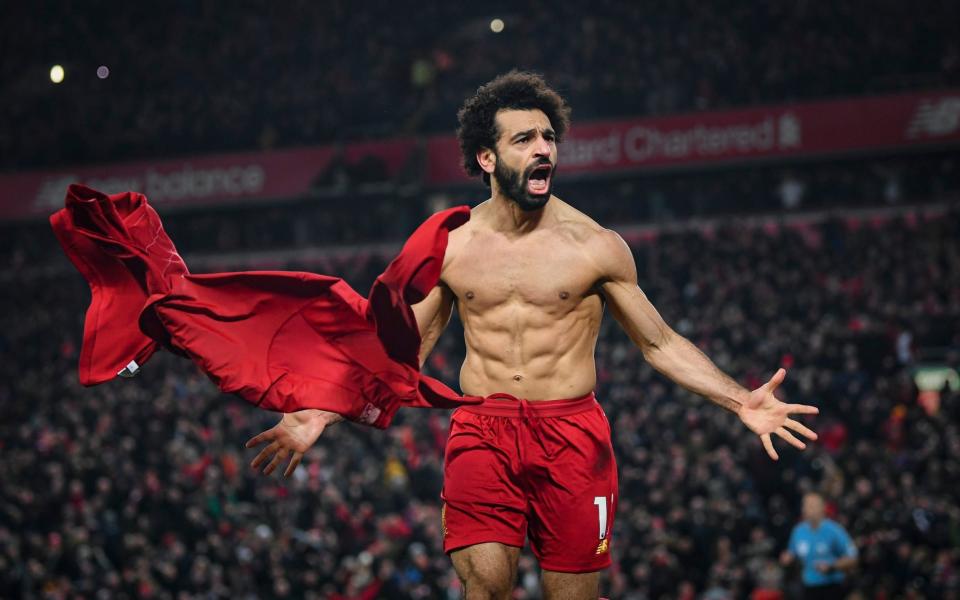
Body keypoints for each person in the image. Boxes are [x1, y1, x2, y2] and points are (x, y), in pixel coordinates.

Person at [246, 71, 820, 600]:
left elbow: (660, 343)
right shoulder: (453, 245)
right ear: (487, 157)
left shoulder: (594, 245)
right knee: (488, 588)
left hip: (571, 435)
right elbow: (405, 352)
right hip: (482, 428)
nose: (543, 148)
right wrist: (321, 411)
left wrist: (739, 399)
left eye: (549, 136)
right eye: (524, 139)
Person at [780, 493, 858, 600]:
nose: (806, 509)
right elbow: (792, 552)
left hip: (832, 586)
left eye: (811, 505)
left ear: (822, 508)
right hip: (809, 587)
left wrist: (832, 567)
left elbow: (852, 558)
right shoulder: (798, 531)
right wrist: (787, 557)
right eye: (805, 505)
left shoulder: (834, 530)